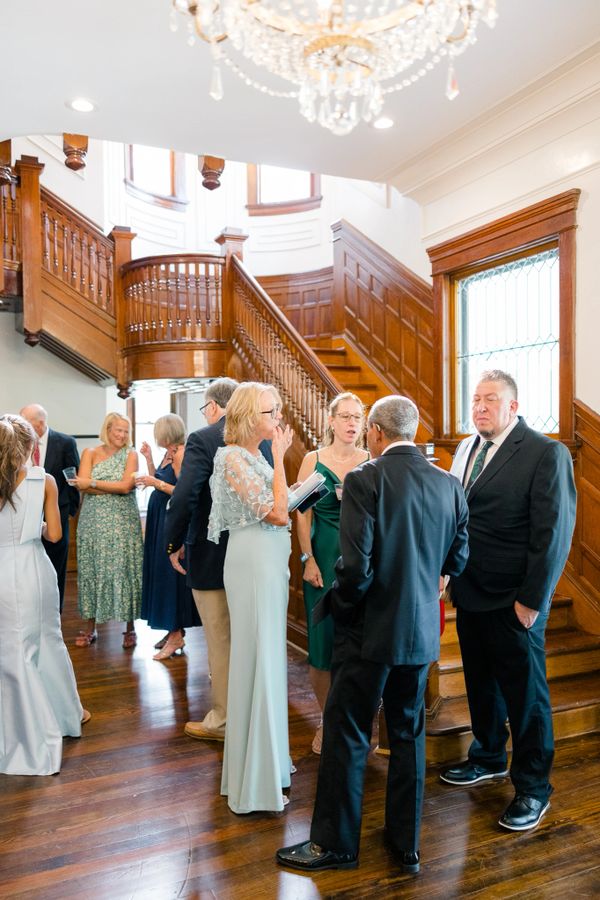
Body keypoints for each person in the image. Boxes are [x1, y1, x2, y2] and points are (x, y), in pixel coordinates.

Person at [276, 395, 469, 872]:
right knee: (407, 736)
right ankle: (406, 845)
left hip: (368, 632)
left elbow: (356, 569)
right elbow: (458, 558)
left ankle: (334, 846)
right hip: (419, 632)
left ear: (376, 433)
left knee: (347, 734)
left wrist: (338, 611)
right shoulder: (449, 483)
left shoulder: (366, 479)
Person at [440, 370, 576, 832]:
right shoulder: (467, 448)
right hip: (469, 590)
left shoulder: (544, 452)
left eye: (490, 400)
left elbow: (553, 534)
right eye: (475, 399)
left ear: (513, 406)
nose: (479, 407)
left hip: (515, 600)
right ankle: (488, 756)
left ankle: (534, 788)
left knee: (526, 697)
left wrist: (533, 600)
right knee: (480, 683)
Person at [208, 382, 293, 814]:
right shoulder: (231, 457)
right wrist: (280, 458)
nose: (277, 418)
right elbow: (276, 512)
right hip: (253, 562)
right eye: (269, 412)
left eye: (277, 410)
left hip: (270, 560)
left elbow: (280, 504)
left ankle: (269, 765)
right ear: (245, 416)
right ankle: (254, 782)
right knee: (257, 658)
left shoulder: (256, 456)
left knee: (269, 659)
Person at [0, 414, 89, 776]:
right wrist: (30, 526)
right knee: (48, 641)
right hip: (32, 568)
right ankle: (63, 716)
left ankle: (15, 725)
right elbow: (54, 534)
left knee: (11, 647)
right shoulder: (44, 480)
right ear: (29, 446)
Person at [296, 392, 369, 754]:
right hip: (323, 560)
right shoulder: (313, 461)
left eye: (357, 417)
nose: (352, 423)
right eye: (345, 417)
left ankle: (354, 719)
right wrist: (307, 558)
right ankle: (327, 720)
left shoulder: (370, 461)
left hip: (362, 562)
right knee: (323, 645)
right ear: (331, 420)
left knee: (358, 645)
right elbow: (302, 514)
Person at [72, 412, 143, 649]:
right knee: (92, 570)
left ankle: (130, 628)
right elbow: (82, 487)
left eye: (126, 431)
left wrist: (93, 483)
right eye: (118, 430)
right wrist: (106, 487)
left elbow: (125, 487)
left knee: (125, 570)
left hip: (123, 523)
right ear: (108, 429)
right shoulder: (89, 453)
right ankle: (90, 628)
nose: (122, 435)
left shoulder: (131, 455)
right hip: (92, 522)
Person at [137, 414, 200, 660]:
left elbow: (182, 492)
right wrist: (149, 460)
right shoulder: (168, 453)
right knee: (161, 574)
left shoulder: (181, 453)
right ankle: (172, 630)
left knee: (169, 577)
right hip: (159, 519)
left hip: (170, 520)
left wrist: (155, 483)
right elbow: (161, 479)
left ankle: (176, 635)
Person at [19, 403, 80, 612]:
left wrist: (69, 512)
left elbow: (73, 480)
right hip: (25, 517)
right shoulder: (20, 444)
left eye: (25, 421)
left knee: (56, 568)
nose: (22, 426)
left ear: (40, 423)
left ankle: (55, 612)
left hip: (57, 515)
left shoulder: (65, 443)